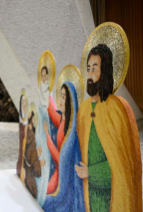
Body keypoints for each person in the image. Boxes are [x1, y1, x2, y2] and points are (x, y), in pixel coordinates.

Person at [75, 44, 141, 211]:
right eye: (88, 69)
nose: (90, 75)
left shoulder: (116, 109)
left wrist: (91, 173)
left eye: (94, 69)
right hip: (89, 194)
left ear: (104, 72)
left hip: (110, 196)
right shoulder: (83, 110)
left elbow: (121, 164)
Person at [42, 82, 85, 212]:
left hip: (63, 176)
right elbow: (53, 114)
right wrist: (46, 93)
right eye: (60, 96)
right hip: (58, 171)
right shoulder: (63, 120)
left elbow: (60, 160)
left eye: (64, 97)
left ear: (70, 102)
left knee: (47, 199)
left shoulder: (70, 132)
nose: (60, 100)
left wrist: (47, 137)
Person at [34, 66, 51, 206]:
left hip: (46, 125)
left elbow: (48, 111)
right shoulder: (40, 90)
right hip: (40, 125)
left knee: (45, 155)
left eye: (45, 75)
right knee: (39, 151)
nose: (43, 77)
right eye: (42, 75)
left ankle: (43, 190)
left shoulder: (48, 93)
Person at [23, 110, 45, 199]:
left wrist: (36, 154)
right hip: (29, 172)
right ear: (31, 119)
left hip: (30, 168)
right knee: (33, 193)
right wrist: (38, 163)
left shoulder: (32, 131)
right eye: (33, 117)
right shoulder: (29, 134)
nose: (34, 120)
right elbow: (27, 157)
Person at [17, 93, 27, 177]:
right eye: (22, 103)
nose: (24, 105)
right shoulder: (22, 120)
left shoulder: (26, 119)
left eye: (25, 103)